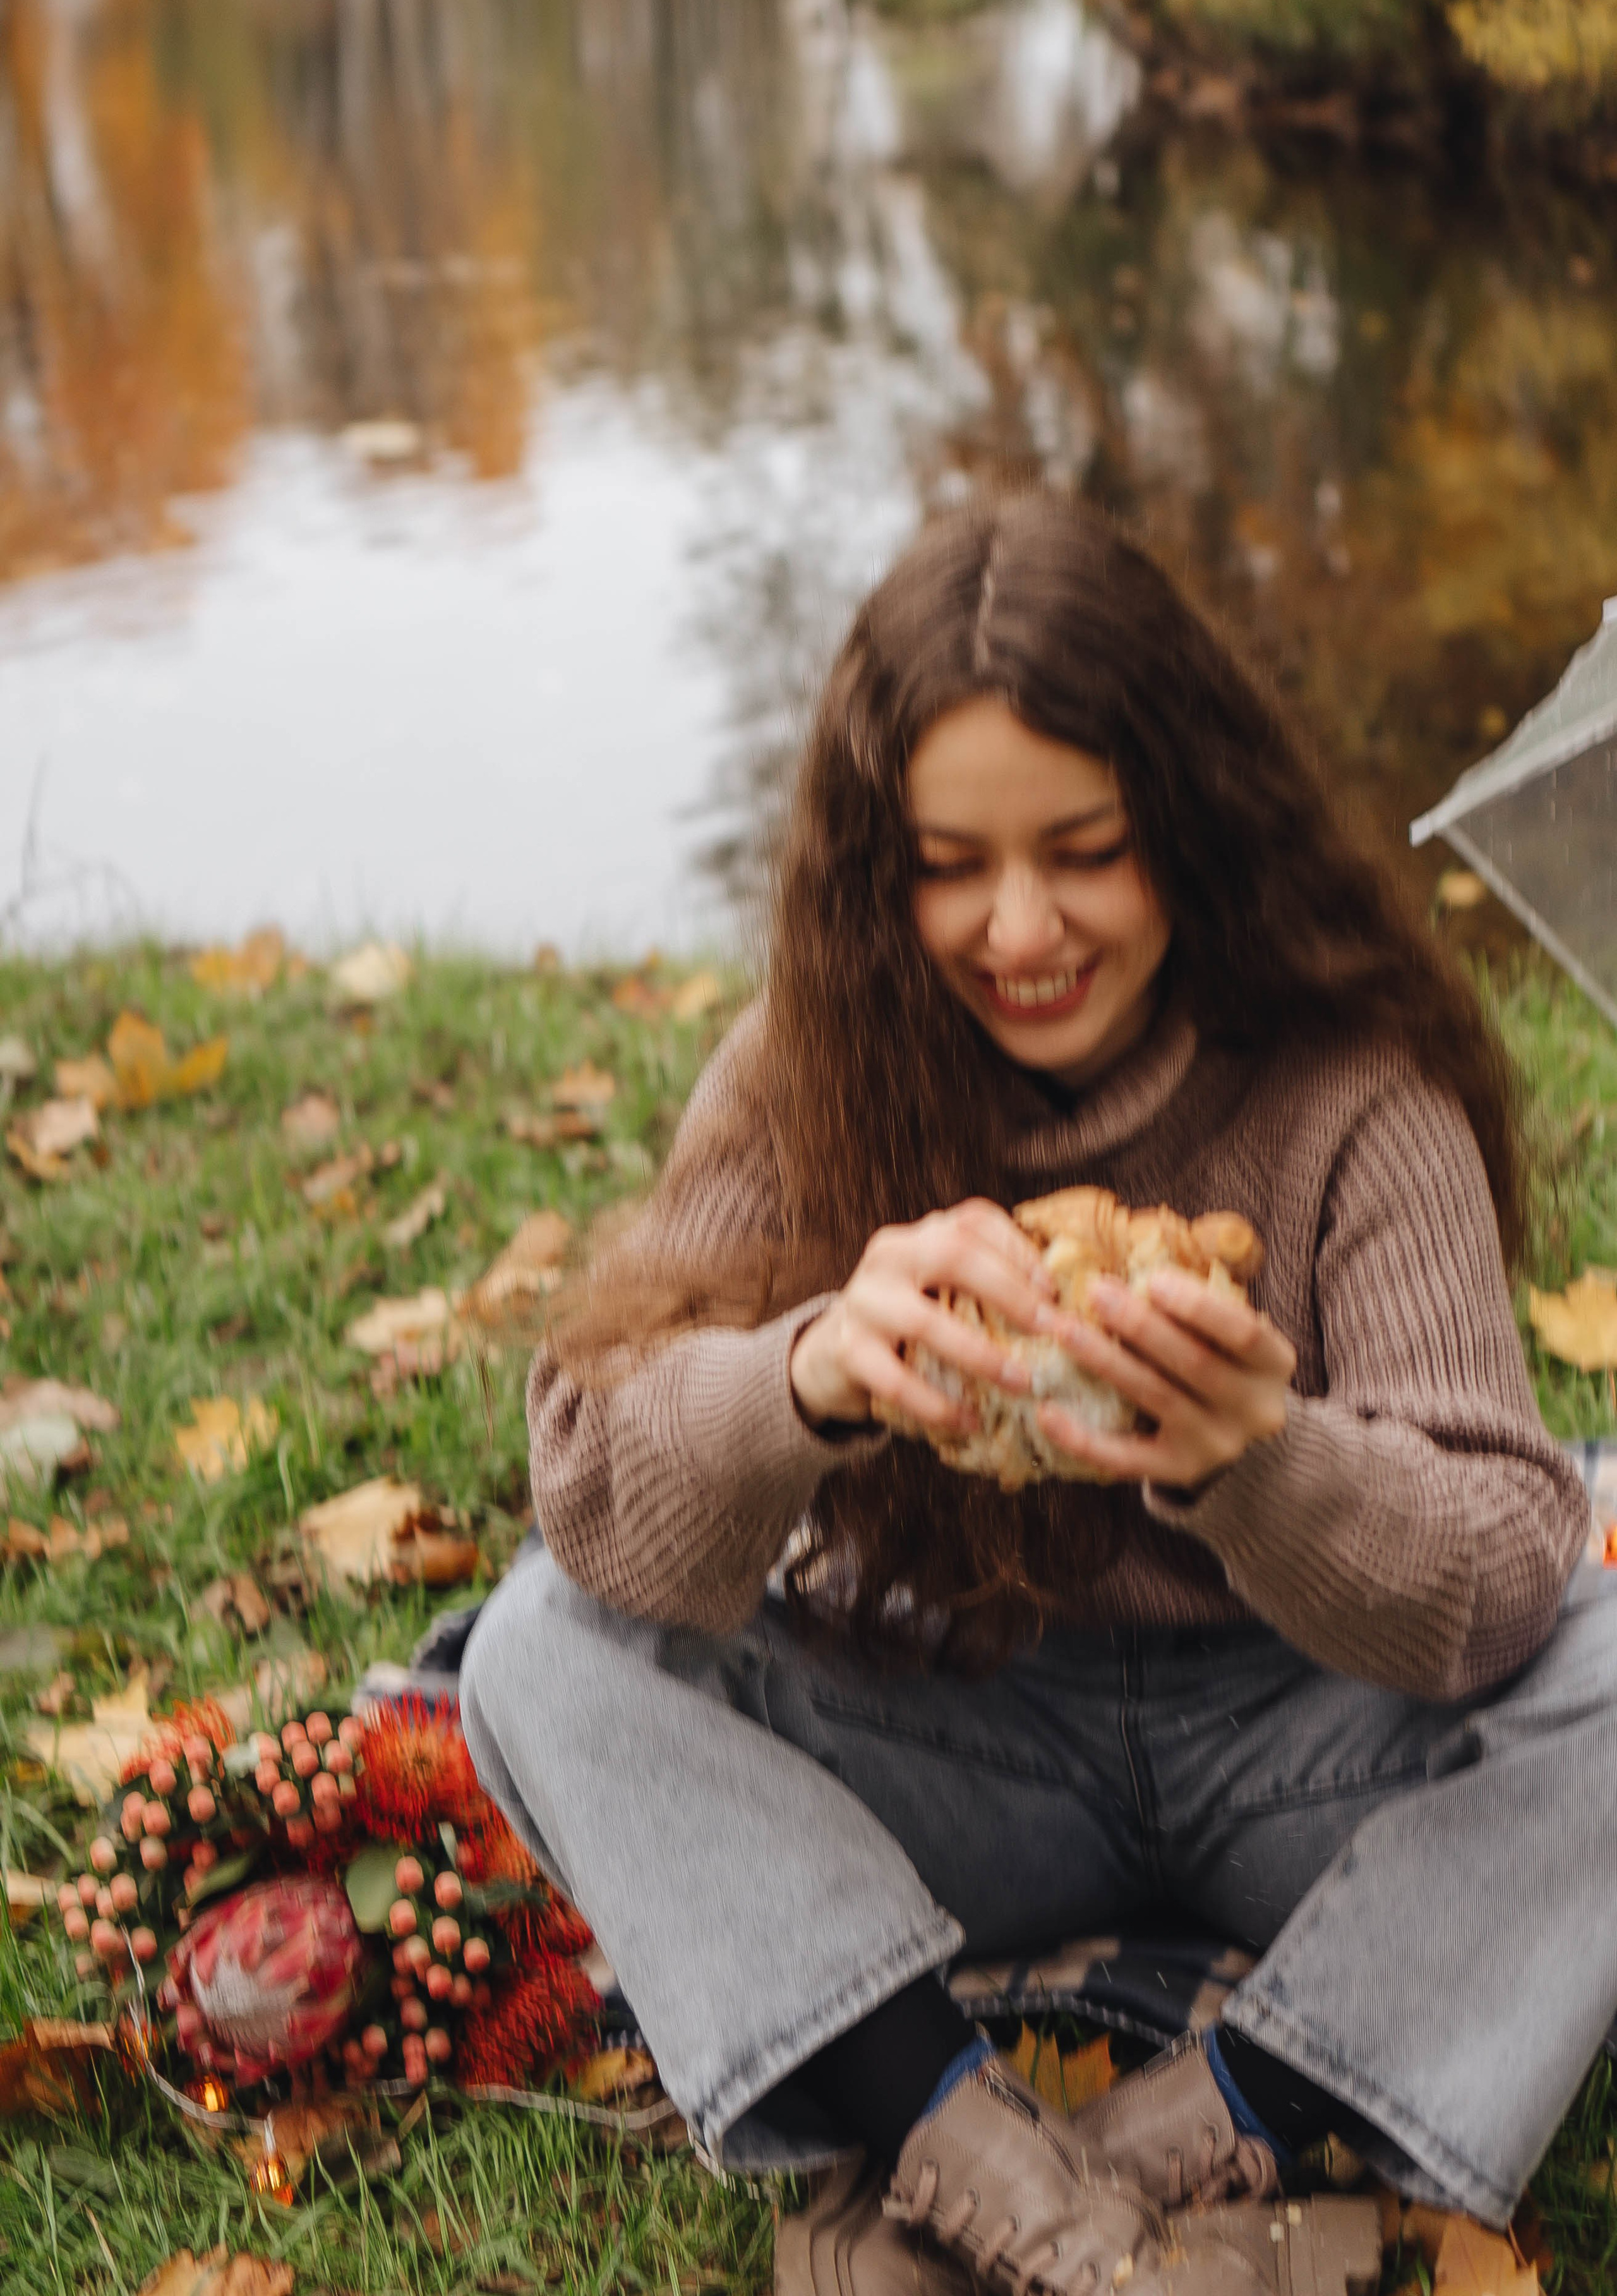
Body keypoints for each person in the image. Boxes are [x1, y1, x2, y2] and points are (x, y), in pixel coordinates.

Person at [461, 493, 1615, 2296]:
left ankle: (1216, 2116)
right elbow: (596, 1495)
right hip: (961, 1743)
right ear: (876, 868)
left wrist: (1265, 1463)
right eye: (949, 863)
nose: (1020, 928)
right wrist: (808, 1378)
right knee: (541, 1650)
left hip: (1307, 1756)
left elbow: (1496, 1581)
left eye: (1085, 848)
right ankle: (955, 2131)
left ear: (1192, 823)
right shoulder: (809, 1071)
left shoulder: (1355, 1089)